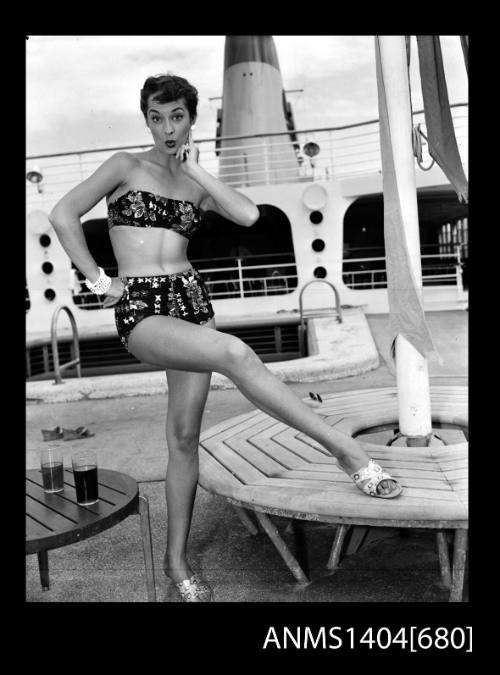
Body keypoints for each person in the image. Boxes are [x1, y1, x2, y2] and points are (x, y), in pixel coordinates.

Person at [49, 74, 402, 602]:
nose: (167, 128)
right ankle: (348, 453)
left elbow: (249, 214)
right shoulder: (125, 165)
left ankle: (176, 563)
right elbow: (62, 214)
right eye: (156, 116)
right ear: (145, 118)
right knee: (235, 353)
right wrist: (100, 281)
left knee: (184, 438)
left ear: (192, 118)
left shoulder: (194, 182)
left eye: (177, 116)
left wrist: (198, 170)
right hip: (142, 306)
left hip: (192, 299)